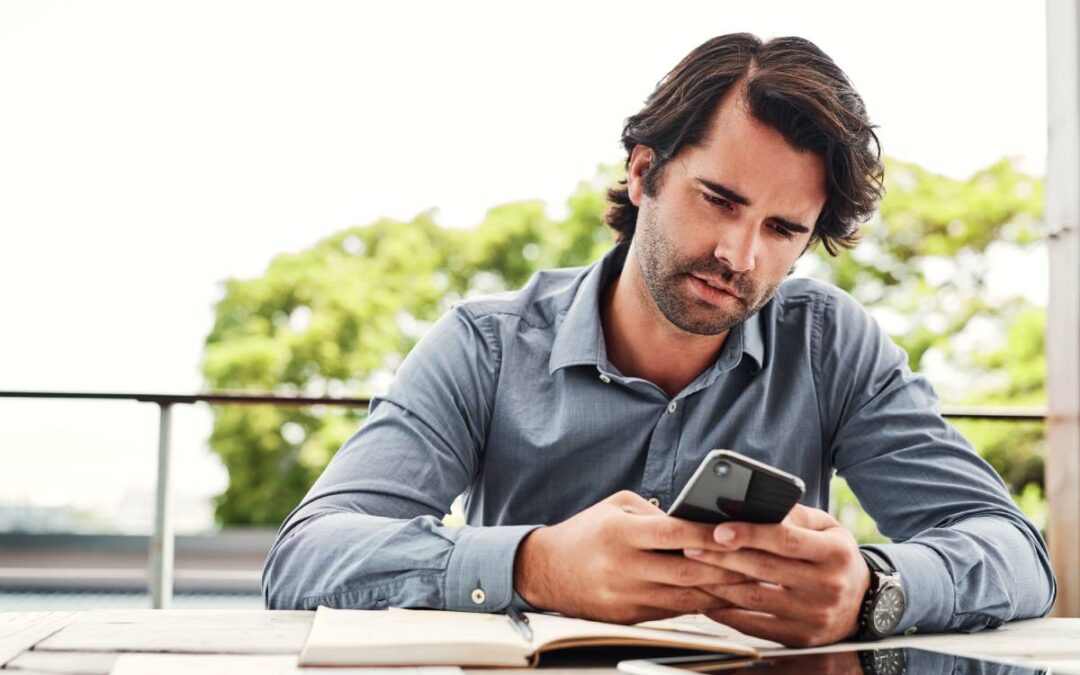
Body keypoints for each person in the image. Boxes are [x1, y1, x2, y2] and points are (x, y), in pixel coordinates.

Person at [262, 33, 1056, 647]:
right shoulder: (486, 346)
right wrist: (535, 564)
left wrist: (874, 588)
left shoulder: (829, 346)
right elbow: (308, 556)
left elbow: (1016, 552)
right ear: (643, 172)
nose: (740, 256)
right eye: (719, 199)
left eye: (783, 229)